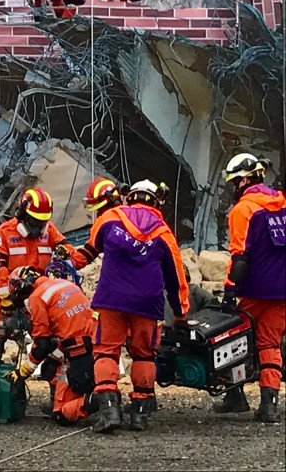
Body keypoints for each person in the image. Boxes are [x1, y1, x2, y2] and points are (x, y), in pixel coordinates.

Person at [67, 179, 190, 433]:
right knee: (144, 354)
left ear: (129, 196)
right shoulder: (163, 232)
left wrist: (65, 264)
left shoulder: (111, 218)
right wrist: (180, 314)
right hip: (148, 302)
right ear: (157, 201)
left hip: (111, 299)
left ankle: (109, 411)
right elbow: (176, 278)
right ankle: (140, 415)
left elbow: (89, 250)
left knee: (106, 352)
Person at [212, 154, 285, 423]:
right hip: (282, 291)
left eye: (234, 183)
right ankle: (269, 404)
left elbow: (239, 259)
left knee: (233, 340)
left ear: (244, 180)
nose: (233, 189)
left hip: (254, 290)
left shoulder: (244, 209)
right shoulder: (282, 204)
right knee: (270, 344)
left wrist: (230, 291)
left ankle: (235, 396)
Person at [0, 188, 76, 366]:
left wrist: (66, 252)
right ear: (22, 214)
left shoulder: (49, 230)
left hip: (39, 299)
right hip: (10, 297)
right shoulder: (5, 232)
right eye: (35, 222)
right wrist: (6, 297)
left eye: (42, 222)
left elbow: (69, 250)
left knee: (54, 341)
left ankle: (55, 386)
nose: (38, 227)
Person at [5, 266, 96, 425]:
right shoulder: (63, 284)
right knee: (52, 365)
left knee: (62, 415)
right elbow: (68, 328)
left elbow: (42, 343)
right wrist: (54, 357)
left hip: (79, 350)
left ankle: (102, 398)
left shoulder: (36, 298)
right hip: (96, 344)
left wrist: (25, 370)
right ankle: (98, 395)